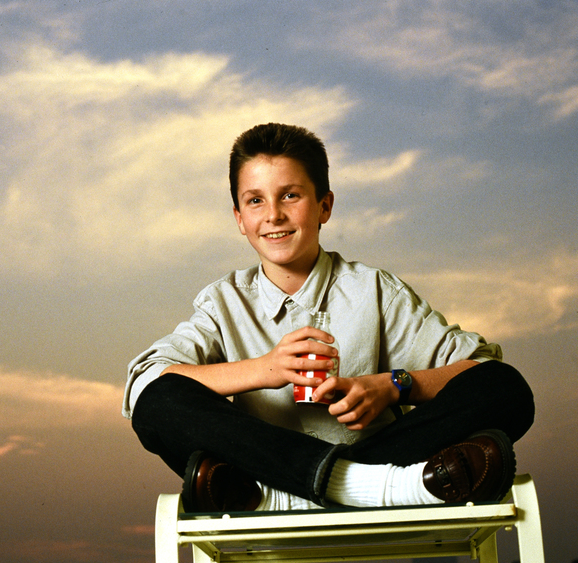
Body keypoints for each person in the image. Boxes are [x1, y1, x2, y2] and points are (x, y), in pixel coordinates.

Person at [122, 123, 535, 513]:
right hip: (352, 479)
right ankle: (374, 488)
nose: (273, 215)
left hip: (332, 471)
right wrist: (264, 369)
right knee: (158, 404)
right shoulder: (223, 301)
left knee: (506, 387)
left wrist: (394, 386)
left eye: (290, 196)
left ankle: (309, 490)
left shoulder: (375, 291)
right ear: (239, 220)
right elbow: (147, 381)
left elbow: (480, 368)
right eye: (255, 200)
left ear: (324, 206)